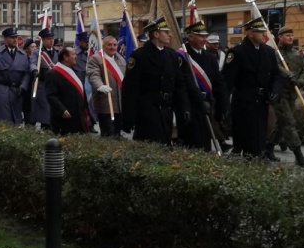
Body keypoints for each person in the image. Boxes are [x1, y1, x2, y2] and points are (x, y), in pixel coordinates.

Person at [121, 18, 190, 144]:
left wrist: (184, 107)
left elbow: (179, 84)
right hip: (147, 110)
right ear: (156, 34)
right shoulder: (139, 56)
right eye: (165, 32)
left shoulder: (172, 55)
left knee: (165, 144)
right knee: (150, 145)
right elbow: (130, 88)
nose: (169, 35)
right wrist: (128, 117)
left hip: (167, 109)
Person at [222, 17, 283, 160]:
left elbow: (277, 75)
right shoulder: (237, 53)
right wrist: (224, 105)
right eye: (260, 32)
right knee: (247, 135)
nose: (264, 35)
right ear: (249, 33)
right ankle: (250, 157)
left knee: (261, 133)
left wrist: (276, 90)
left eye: (264, 32)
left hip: (262, 101)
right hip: (244, 101)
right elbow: (227, 81)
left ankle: (259, 156)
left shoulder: (268, 52)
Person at [178, 20, 229, 152]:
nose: (205, 39)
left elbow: (219, 82)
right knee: (192, 146)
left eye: (205, 36)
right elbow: (181, 85)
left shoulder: (210, 57)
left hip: (207, 107)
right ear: (190, 37)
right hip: (190, 107)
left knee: (205, 144)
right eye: (201, 36)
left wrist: (222, 106)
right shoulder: (182, 57)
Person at [268, 27, 304, 166]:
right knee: (289, 123)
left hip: (293, 93)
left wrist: (301, 81)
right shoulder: (275, 53)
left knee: (282, 123)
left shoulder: (296, 54)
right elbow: (276, 68)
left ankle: (268, 148)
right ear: (280, 37)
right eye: (287, 35)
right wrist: (289, 75)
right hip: (280, 93)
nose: (290, 38)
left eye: (292, 35)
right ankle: (298, 155)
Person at [86, 35, 126, 137]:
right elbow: (93, 75)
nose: (112, 47)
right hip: (106, 102)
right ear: (103, 46)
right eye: (109, 45)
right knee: (108, 133)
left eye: (115, 45)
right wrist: (100, 86)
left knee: (118, 134)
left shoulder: (120, 59)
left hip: (120, 103)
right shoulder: (96, 59)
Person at [45, 46, 89, 134]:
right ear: (65, 57)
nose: (76, 56)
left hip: (78, 118)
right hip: (64, 119)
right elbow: (51, 95)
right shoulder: (52, 73)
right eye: (73, 54)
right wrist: (62, 110)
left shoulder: (74, 71)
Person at [30, 28, 59, 130]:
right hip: (42, 84)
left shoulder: (57, 52)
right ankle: (45, 127)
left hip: (54, 85)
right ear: (42, 40)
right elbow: (32, 63)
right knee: (44, 111)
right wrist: (34, 70)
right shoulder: (37, 52)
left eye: (52, 38)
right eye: (48, 39)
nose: (51, 40)